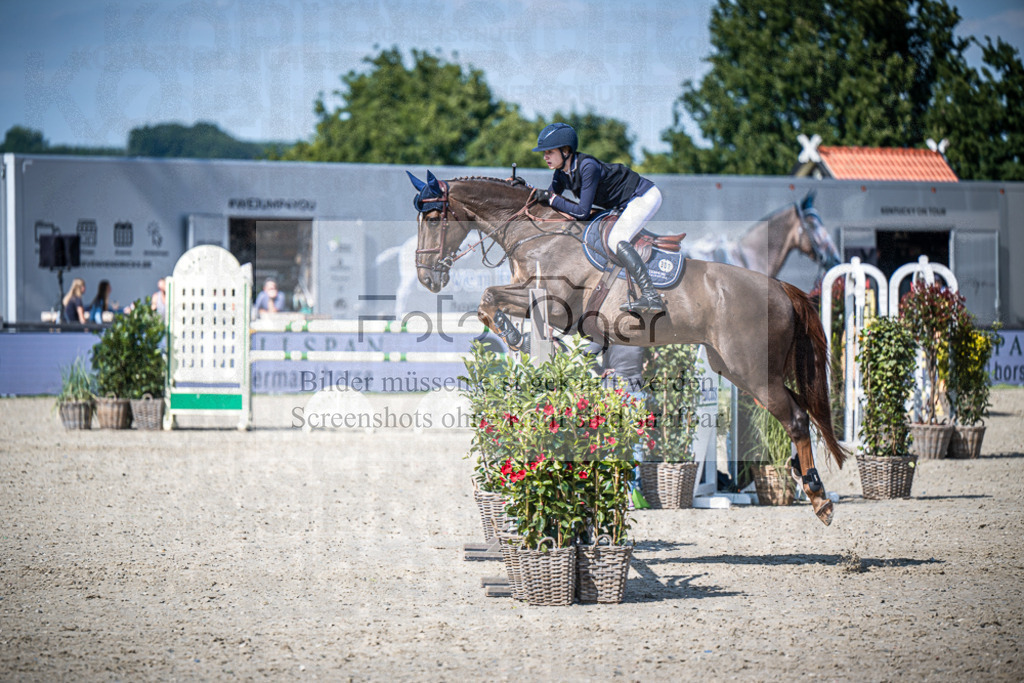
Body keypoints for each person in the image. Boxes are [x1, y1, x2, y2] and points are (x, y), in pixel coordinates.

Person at [532, 122, 665, 314]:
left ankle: (651, 296)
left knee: (616, 239)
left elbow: (581, 212)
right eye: (544, 153)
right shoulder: (561, 174)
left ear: (566, 151)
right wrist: (527, 191)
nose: (545, 157)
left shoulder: (587, 167)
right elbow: (549, 199)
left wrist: (551, 198)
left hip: (643, 196)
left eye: (549, 152)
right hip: (623, 205)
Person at [587, 341, 651, 510]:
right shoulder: (638, 333)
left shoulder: (609, 333)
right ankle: (627, 493)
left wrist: (600, 370)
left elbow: (586, 353)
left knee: (612, 443)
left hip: (616, 392)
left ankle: (615, 492)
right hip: (629, 392)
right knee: (633, 445)